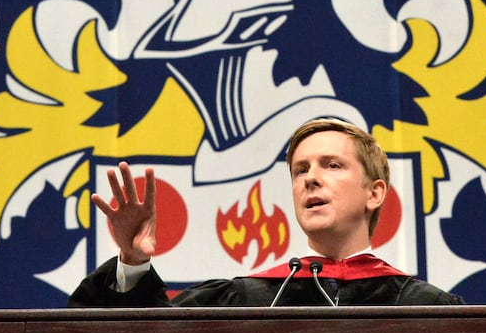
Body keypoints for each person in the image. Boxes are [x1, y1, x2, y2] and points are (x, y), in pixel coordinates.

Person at [68, 118, 463, 307]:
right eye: (300, 170)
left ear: (375, 193)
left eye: (333, 165)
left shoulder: (426, 308)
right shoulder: (246, 298)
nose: (311, 179)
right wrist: (133, 262)